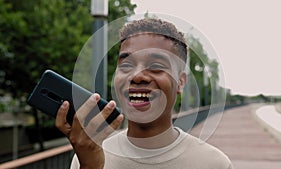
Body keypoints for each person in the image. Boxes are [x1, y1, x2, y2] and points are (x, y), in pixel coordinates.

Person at [55, 18, 234, 169]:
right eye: (126, 65)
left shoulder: (214, 164)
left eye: (156, 66)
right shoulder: (88, 155)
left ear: (181, 81)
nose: (137, 76)